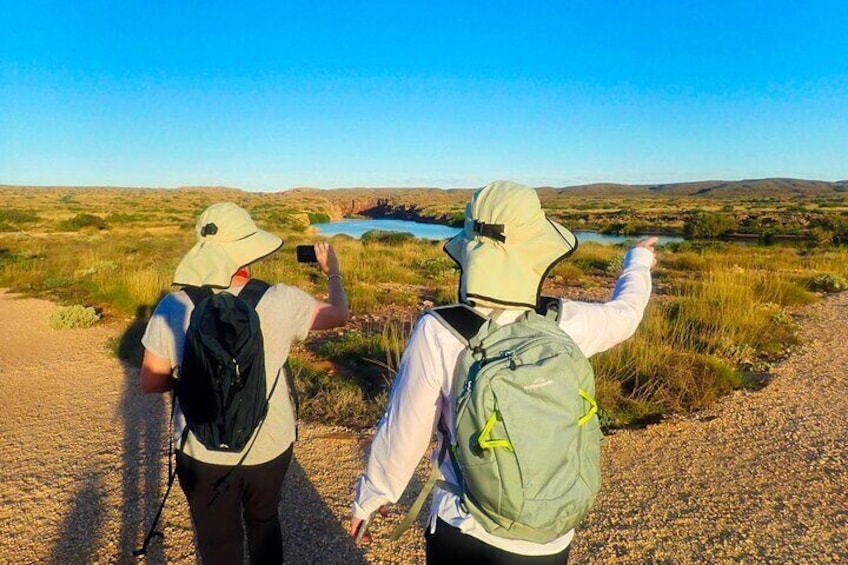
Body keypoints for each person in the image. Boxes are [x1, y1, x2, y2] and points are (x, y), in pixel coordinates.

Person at [349, 181, 656, 564]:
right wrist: (638, 261)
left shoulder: (442, 331)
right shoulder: (564, 322)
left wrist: (372, 497)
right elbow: (626, 315)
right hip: (551, 536)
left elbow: (405, 431)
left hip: (465, 527)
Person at [140, 202, 349, 565]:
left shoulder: (174, 306)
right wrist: (333, 273)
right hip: (268, 448)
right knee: (264, 523)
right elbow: (339, 315)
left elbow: (151, 382)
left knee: (217, 542)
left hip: (200, 449)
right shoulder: (282, 299)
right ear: (248, 252)